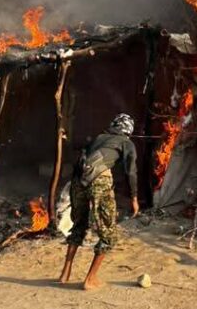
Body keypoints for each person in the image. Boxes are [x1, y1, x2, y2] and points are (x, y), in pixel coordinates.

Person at [58, 113, 140, 290]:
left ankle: (65, 274)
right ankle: (90, 279)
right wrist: (134, 198)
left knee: (78, 225)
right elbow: (131, 172)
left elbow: (79, 151)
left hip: (78, 181)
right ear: (129, 130)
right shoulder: (126, 143)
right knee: (109, 235)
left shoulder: (99, 138)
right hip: (100, 182)